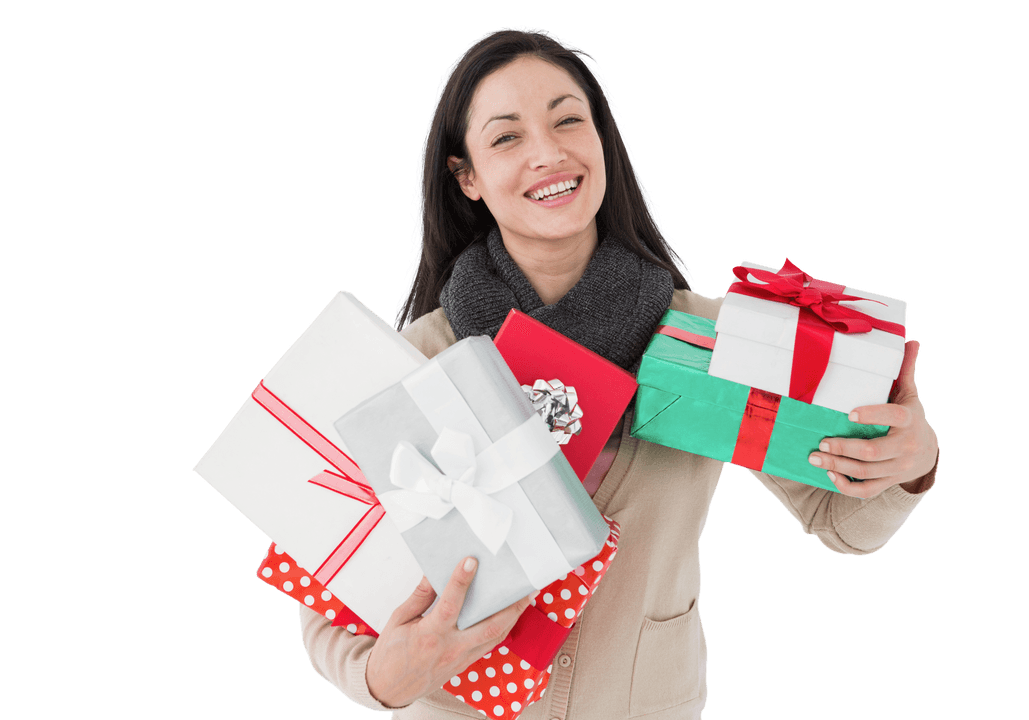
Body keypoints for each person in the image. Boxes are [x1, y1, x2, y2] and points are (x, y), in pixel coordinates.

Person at [300, 28, 939, 719]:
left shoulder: (717, 341)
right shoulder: (419, 358)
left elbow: (841, 521)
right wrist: (386, 679)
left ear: (603, 141)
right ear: (468, 178)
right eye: (507, 138)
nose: (549, 153)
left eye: (569, 119)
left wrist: (909, 460)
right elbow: (328, 611)